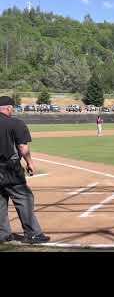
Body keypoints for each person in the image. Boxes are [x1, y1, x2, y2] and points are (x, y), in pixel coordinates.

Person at [0, 96, 50, 244]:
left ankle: (3, 234)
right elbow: (23, 147)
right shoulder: (16, 123)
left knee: (1, 201)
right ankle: (33, 234)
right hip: (9, 169)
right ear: (9, 108)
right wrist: (30, 163)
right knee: (24, 199)